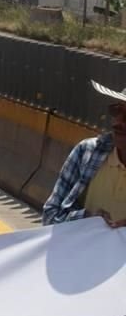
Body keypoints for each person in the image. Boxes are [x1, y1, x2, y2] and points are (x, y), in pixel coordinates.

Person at [43, 81, 126, 228]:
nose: (118, 122)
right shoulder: (87, 151)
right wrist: (85, 218)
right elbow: (50, 217)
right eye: (116, 110)